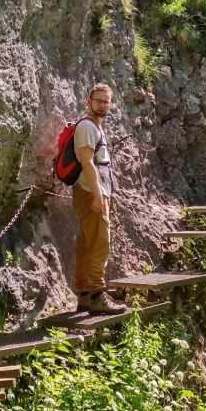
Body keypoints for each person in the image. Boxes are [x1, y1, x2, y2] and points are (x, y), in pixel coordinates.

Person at [73, 83, 127, 315]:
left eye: (107, 101)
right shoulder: (87, 126)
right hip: (90, 192)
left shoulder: (96, 127)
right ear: (89, 101)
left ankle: (85, 294)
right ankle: (97, 294)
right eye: (99, 101)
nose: (103, 105)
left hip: (95, 191)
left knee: (88, 243)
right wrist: (97, 195)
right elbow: (87, 163)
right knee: (100, 243)